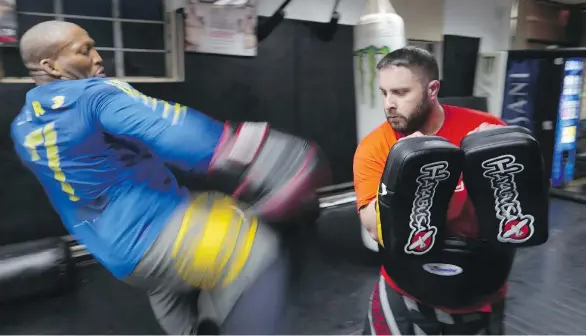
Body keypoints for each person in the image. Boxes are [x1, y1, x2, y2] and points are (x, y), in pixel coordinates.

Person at [11, 20, 330, 335]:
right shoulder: (95, 95)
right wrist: (250, 150)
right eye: (84, 50)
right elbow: (174, 132)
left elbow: (92, 161)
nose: (97, 57)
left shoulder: (24, 126)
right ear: (50, 65)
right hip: (159, 234)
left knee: (182, 266)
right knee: (253, 250)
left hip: (119, 256)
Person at [353, 47, 509, 335]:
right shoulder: (375, 147)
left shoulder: (484, 128)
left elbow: (511, 214)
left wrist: (479, 160)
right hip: (406, 285)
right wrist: (409, 172)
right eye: (384, 93)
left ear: (432, 89)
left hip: (477, 287)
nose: (389, 104)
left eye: (400, 92)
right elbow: (374, 227)